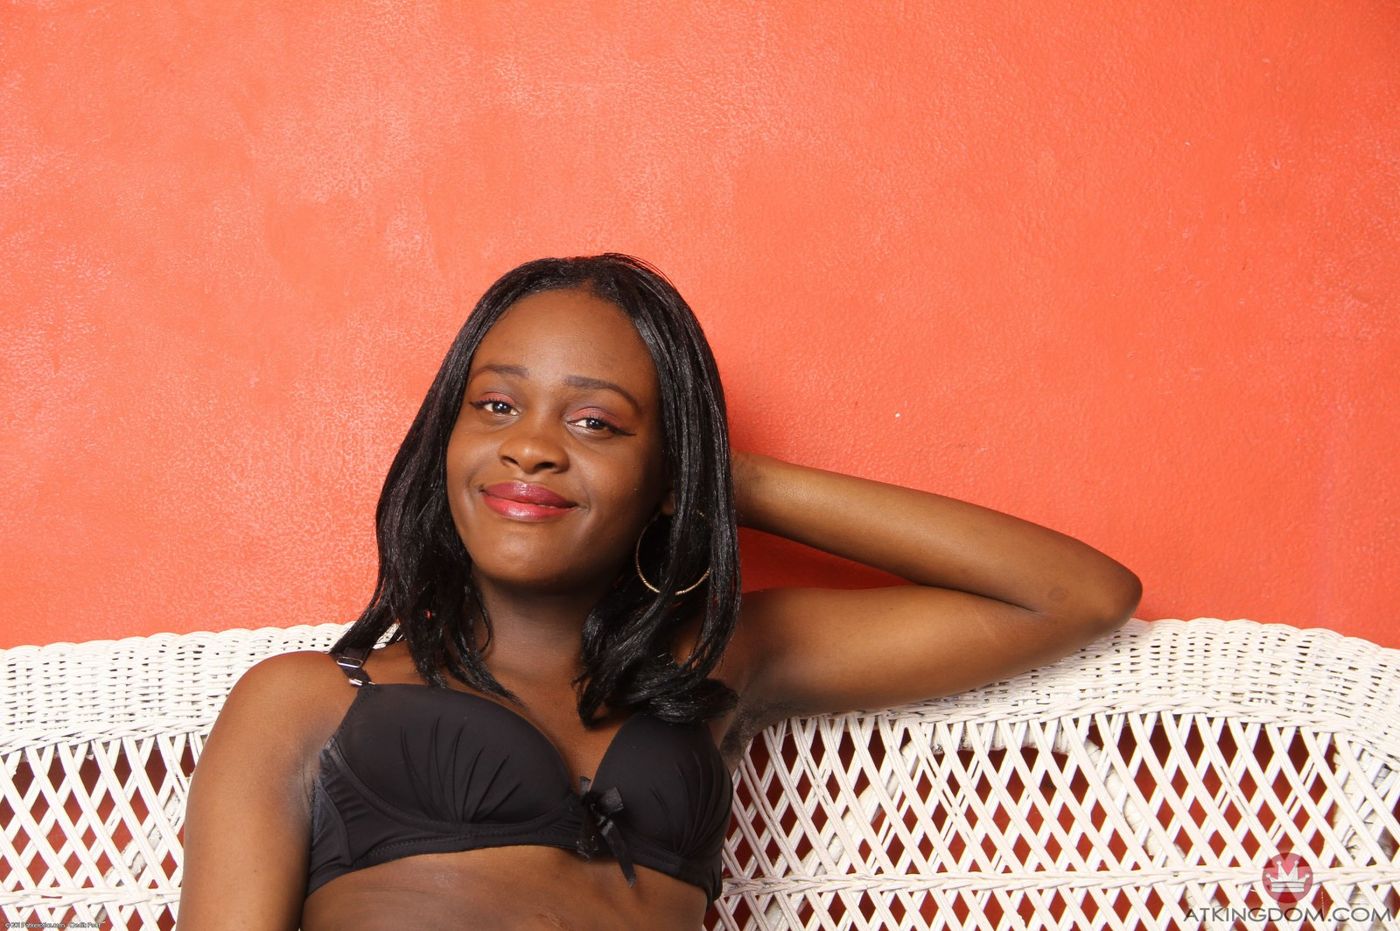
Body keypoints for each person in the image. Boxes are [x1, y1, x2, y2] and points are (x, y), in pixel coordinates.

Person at [177, 253, 1141, 930]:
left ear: (667, 473)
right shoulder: (307, 700)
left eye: (596, 422)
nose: (531, 445)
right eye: (497, 405)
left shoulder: (719, 661)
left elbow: (1074, 595)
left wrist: (721, 476)